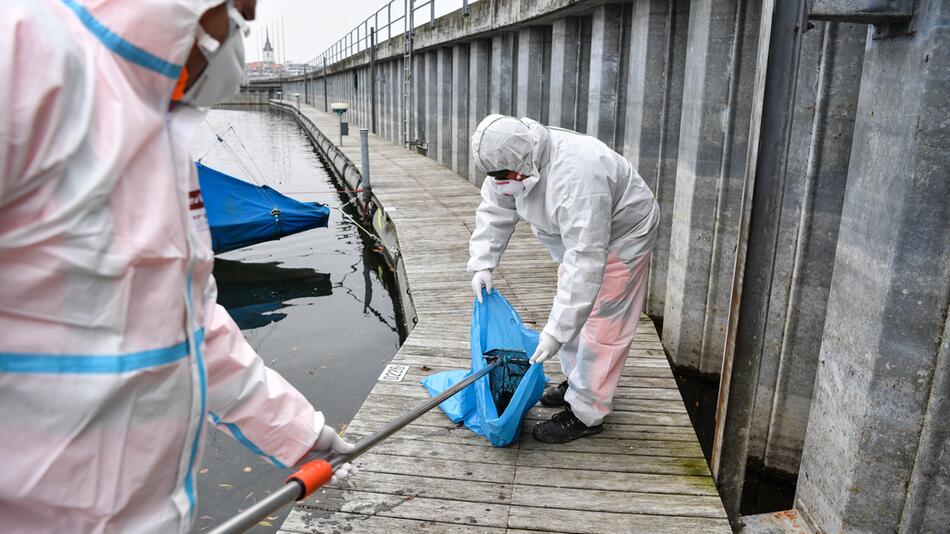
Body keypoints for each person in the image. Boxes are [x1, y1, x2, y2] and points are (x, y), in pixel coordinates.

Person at [0, 1, 354, 532]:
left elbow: (188, 319)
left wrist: (299, 432)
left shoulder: (159, 128)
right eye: (239, 14)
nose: (243, 30)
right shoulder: (25, 58)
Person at [468, 114, 659, 444]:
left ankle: (587, 412)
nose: (502, 182)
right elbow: (495, 209)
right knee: (574, 303)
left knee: (603, 320)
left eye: (507, 177)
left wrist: (555, 332)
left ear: (525, 164)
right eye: (495, 176)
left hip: (622, 233)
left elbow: (585, 261)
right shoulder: (506, 160)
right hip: (570, 232)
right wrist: (483, 262)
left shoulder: (577, 178)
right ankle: (576, 381)